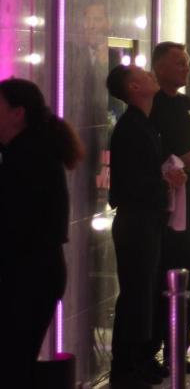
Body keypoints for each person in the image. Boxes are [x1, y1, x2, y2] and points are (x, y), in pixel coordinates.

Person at [106, 64, 187, 388]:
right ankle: (125, 368)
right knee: (135, 295)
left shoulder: (145, 124)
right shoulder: (130, 128)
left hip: (148, 219)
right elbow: (131, 184)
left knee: (147, 293)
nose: (151, 74)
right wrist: (166, 181)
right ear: (133, 88)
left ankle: (140, 360)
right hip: (135, 221)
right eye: (142, 74)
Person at [0, 79, 84, 387]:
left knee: (12, 364)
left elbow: (21, 224)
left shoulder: (31, 157)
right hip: (35, 272)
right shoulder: (23, 150)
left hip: (30, 275)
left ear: (17, 113)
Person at [148, 42, 190, 375]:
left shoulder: (189, 105)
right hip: (159, 201)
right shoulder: (150, 105)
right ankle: (150, 348)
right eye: (179, 63)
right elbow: (148, 153)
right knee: (159, 273)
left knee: (187, 269)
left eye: (187, 63)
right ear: (159, 67)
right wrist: (174, 162)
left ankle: (178, 348)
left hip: (189, 197)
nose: (187, 69)